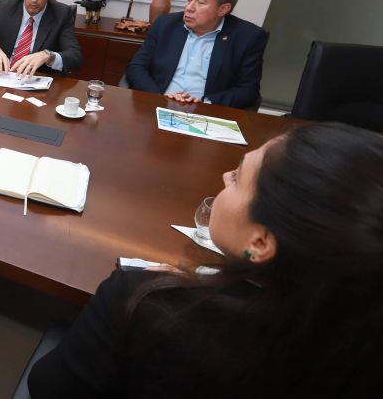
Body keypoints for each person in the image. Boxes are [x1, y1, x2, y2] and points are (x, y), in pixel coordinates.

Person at [27, 122, 383, 398]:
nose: (225, 177)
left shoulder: (145, 302)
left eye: (239, 179)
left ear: (260, 242)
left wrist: (168, 291)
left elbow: (45, 387)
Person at [125, 0, 268, 109]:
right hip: (158, 103)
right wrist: (159, 97)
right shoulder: (166, 24)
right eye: (189, 0)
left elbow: (248, 89)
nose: (189, 8)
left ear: (223, 9)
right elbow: (137, 67)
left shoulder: (248, 37)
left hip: (205, 112)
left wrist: (206, 103)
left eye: (200, 2)